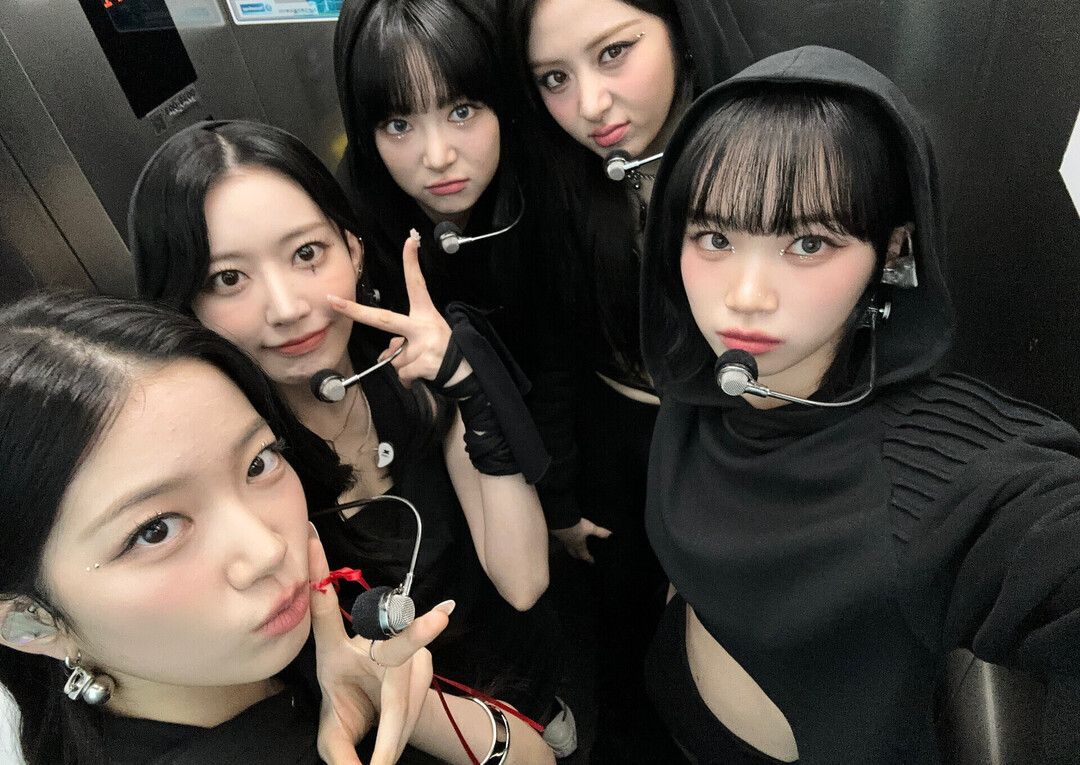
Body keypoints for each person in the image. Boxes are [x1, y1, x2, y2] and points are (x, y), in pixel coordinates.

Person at [639, 45, 1080, 764]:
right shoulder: (700, 377)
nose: (744, 296)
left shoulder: (934, 478)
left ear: (891, 250)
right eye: (715, 238)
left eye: (808, 242)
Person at [0, 291, 556, 765]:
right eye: (155, 530)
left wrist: (413, 709)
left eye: (258, 462)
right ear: (28, 623)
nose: (267, 549)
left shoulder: (296, 645)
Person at [128, 120, 560, 729]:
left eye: (307, 254)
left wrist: (469, 389)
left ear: (353, 251)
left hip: (523, 680)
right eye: (229, 279)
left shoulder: (410, 378)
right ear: (184, 307)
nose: (287, 308)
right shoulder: (227, 476)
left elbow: (522, 580)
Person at [502, 2, 752, 759]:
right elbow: (553, 350)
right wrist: (559, 495)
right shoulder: (556, 177)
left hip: (736, 434)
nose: (590, 105)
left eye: (613, 53)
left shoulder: (766, 154)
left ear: (678, 29)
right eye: (554, 77)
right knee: (622, 613)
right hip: (615, 432)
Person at [332, 0, 594, 570]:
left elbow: (554, 359)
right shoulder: (352, 224)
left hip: (553, 435)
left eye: (462, 110)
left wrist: (559, 503)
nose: (438, 157)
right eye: (399, 124)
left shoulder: (543, 185)